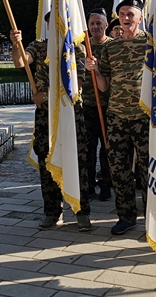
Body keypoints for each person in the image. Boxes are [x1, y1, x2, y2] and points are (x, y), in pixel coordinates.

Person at [11, 19, 94, 232]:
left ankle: (81, 212)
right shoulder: (39, 46)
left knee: (77, 163)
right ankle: (51, 212)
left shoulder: (77, 48)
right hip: (45, 117)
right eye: (52, 21)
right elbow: (21, 62)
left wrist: (45, 95)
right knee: (47, 163)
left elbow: (78, 85)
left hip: (71, 114)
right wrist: (16, 43)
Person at [86, 0, 150, 236]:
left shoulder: (151, 43)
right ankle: (126, 216)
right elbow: (104, 87)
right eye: (122, 14)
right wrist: (95, 70)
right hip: (117, 117)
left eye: (130, 14)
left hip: (144, 117)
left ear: (140, 17)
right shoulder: (111, 47)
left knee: (147, 169)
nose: (125, 18)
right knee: (119, 169)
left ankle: (152, 216)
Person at [81, 8, 113, 202]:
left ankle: (106, 184)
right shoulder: (83, 47)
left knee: (107, 150)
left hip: (109, 106)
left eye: (99, 23)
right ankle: (89, 184)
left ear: (106, 25)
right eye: (92, 24)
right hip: (88, 106)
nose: (95, 27)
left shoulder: (113, 46)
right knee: (88, 149)